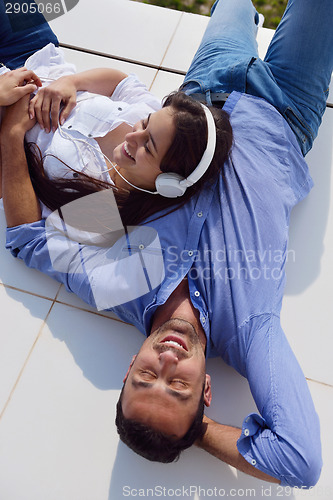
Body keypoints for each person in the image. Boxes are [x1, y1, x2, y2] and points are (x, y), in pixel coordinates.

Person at [1, 0, 332, 489]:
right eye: (178, 386)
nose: (166, 362)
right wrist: (190, 431)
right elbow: (299, 461)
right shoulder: (251, 331)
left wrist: (11, 136)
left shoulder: (119, 277)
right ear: (206, 391)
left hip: (203, 88)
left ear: (131, 365)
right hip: (285, 113)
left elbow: (29, 239)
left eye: (145, 377)